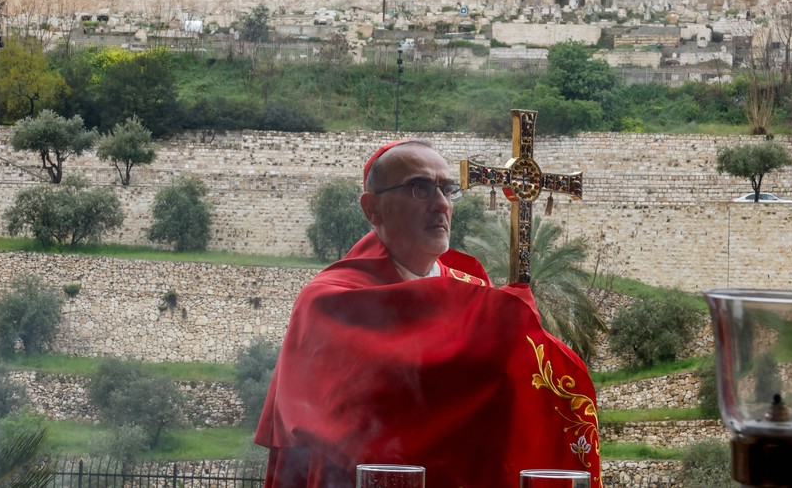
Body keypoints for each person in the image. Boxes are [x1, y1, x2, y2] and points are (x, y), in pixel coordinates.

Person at [255, 139, 602, 488]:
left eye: (448, 190)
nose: (441, 204)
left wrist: (514, 333)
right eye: (419, 188)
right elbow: (376, 406)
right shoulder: (330, 301)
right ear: (372, 209)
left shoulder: (475, 288)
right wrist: (505, 321)